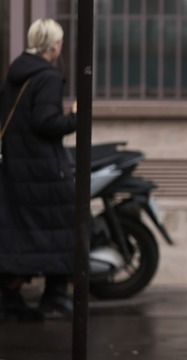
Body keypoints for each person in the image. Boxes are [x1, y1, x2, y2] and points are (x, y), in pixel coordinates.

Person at [0, 18, 77, 322]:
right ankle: (55, 297)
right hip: (43, 170)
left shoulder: (17, 71)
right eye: (58, 42)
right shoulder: (47, 77)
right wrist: (75, 117)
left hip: (19, 168)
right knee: (63, 227)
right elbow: (46, 123)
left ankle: (10, 298)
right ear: (53, 45)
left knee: (21, 232)